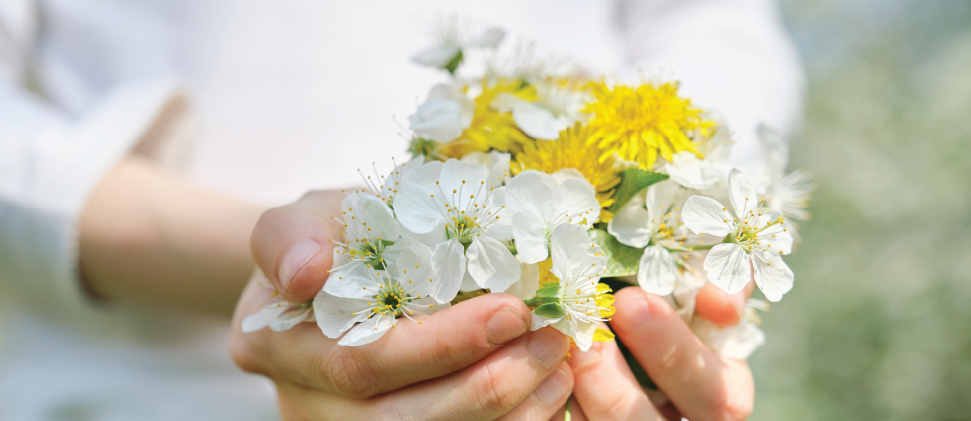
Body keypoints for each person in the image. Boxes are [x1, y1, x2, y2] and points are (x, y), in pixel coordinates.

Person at [0, 0, 803, 419]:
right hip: (140, 391)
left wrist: (679, 214)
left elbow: (715, 30)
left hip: (574, 357)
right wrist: (295, 272)